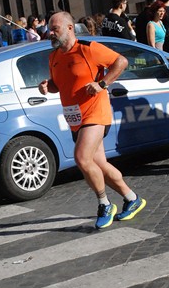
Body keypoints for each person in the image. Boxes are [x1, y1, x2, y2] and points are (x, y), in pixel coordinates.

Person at [38, 12, 146, 229]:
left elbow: (121, 62)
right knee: (98, 164)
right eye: (49, 29)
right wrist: (46, 86)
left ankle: (104, 203)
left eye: (55, 28)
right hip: (74, 117)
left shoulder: (89, 49)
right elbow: (59, 85)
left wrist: (102, 84)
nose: (50, 33)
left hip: (96, 112)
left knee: (82, 158)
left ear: (70, 28)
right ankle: (132, 198)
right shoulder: (54, 57)